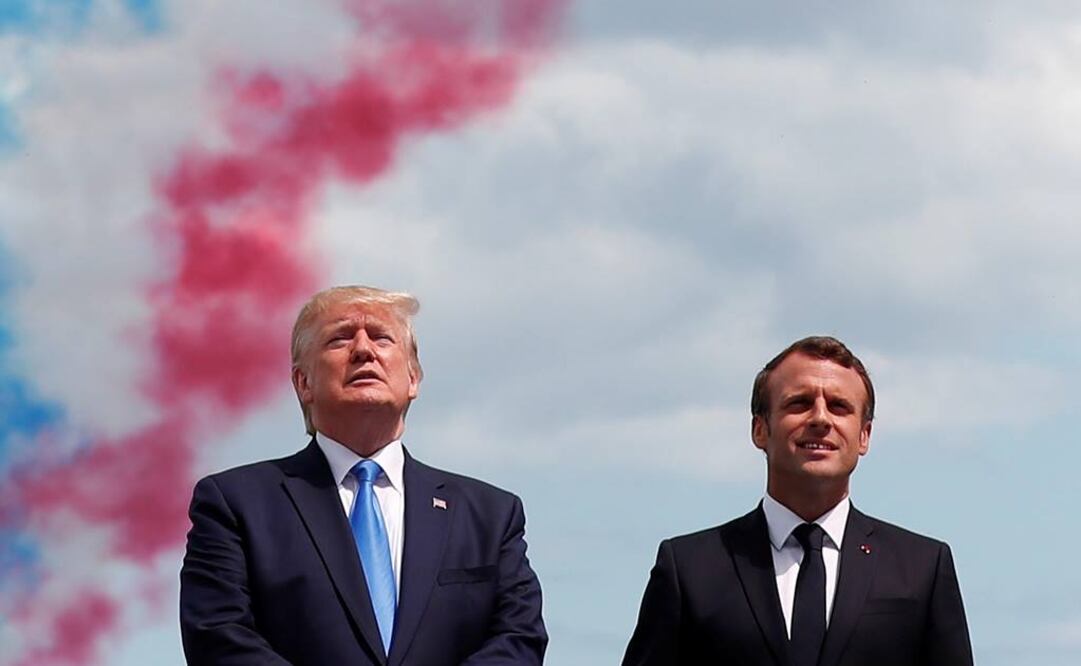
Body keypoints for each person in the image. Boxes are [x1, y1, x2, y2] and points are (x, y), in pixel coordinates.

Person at [180, 285, 547, 665]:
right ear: (303, 383)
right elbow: (219, 639)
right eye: (339, 339)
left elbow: (519, 639)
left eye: (381, 337)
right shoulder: (236, 505)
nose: (363, 350)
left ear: (413, 378)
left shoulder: (489, 515)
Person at [622, 336, 973, 666]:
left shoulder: (921, 569)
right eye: (799, 403)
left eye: (839, 406)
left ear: (864, 435)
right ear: (760, 428)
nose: (820, 418)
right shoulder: (690, 570)